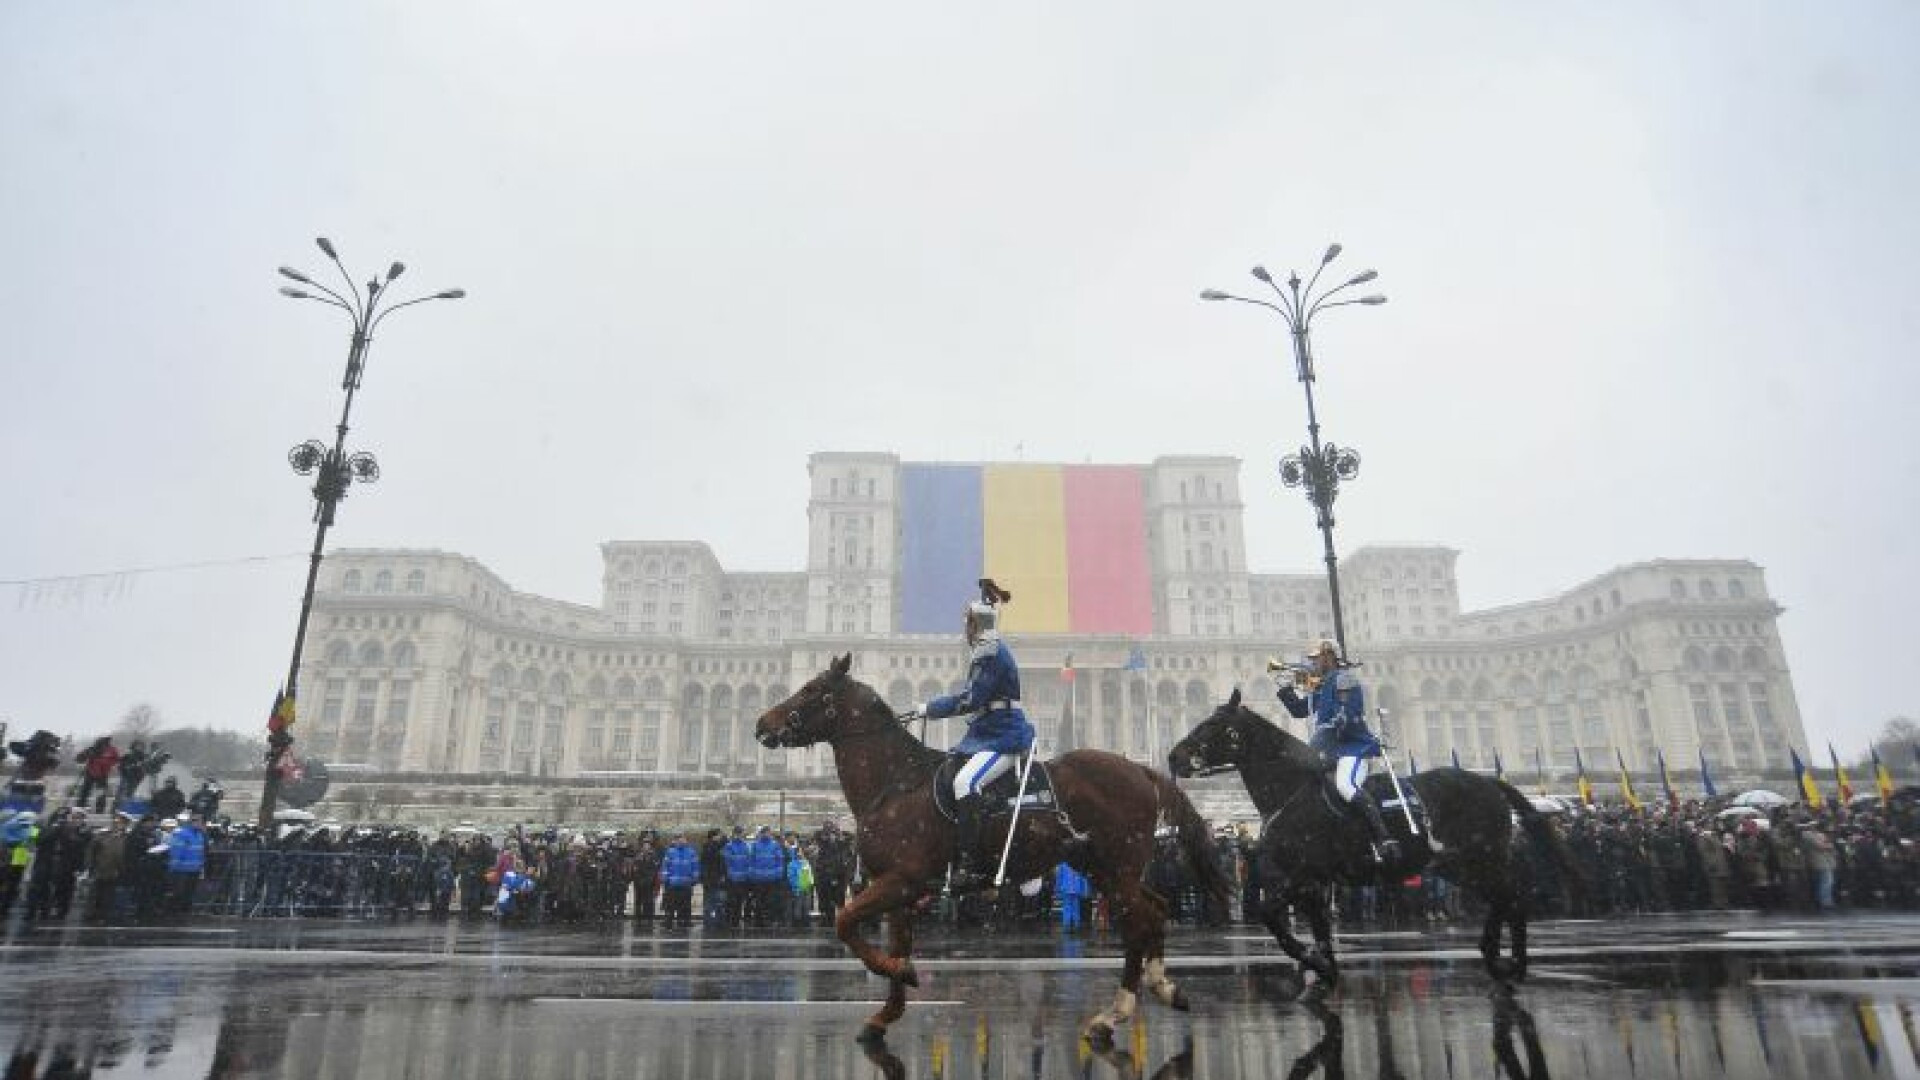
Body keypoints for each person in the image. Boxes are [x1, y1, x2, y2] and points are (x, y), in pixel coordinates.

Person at [900, 578, 1035, 892]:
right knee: (950, 773)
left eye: (969, 623)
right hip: (986, 732)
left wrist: (928, 708)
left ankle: (972, 863)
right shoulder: (986, 652)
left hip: (1004, 735)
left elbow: (969, 700)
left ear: (979, 625)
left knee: (966, 782)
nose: (965, 629)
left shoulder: (990, 652)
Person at [1276, 639, 1400, 864]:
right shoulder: (1320, 688)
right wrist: (1284, 689)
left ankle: (1383, 837)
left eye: (1316, 659)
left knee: (1345, 785)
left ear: (1329, 657)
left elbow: (1351, 714)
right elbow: (1298, 711)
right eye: (1311, 660)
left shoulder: (1345, 679)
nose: (1312, 663)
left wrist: (1338, 721)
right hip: (1327, 749)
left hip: (1351, 748)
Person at [658, 831, 700, 929]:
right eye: (678, 839)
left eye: (682, 838)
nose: (680, 840)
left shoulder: (691, 852)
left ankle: (685, 922)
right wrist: (665, 879)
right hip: (672, 884)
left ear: (686, 840)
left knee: (686, 905)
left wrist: (694, 879)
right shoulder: (670, 852)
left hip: (686, 883)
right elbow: (665, 867)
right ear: (675, 841)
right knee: (670, 906)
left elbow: (695, 867)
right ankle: (668, 923)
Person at [74, 737, 121, 812]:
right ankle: (80, 806)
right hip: (90, 772)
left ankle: (99, 808)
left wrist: (108, 764)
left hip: (103, 774)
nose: (104, 745)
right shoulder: (93, 749)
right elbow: (79, 758)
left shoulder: (112, 749)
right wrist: (86, 755)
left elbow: (117, 759)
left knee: (100, 792)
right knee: (85, 790)